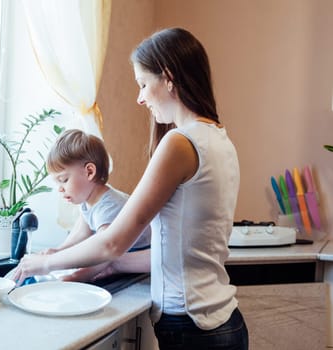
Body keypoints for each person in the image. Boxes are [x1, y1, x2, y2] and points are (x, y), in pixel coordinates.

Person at [14, 27, 248, 350]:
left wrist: (42, 263)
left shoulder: (180, 143)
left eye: (142, 84)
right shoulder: (220, 140)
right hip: (222, 321)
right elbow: (176, 245)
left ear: (168, 78)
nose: (139, 98)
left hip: (193, 327)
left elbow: (112, 243)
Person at [43, 128, 151, 255]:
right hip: (119, 251)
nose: (60, 189)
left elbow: (103, 249)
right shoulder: (87, 198)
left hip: (138, 254)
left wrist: (74, 273)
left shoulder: (108, 206)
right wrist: (58, 251)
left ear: (89, 172)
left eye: (64, 179)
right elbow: (81, 233)